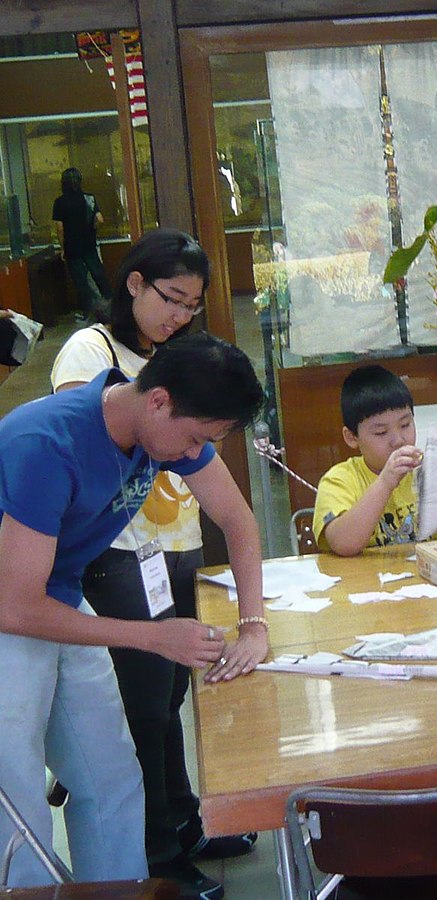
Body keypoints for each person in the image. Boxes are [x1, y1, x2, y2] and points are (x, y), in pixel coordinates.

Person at [0, 332, 267, 892]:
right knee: (17, 795)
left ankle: (119, 889)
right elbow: (15, 607)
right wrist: (152, 637)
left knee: (113, 774)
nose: (195, 452)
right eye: (196, 437)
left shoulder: (163, 433)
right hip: (11, 612)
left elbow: (237, 520)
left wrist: (254, 625)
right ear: (158, 400)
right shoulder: (46, 441)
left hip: (58, 595)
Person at [49, 229, 258, 899]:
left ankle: (186, 824)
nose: (178, 315)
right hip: (115, 549)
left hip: (174, 539)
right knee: (139, 701)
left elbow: (231, 507)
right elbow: (90, 447)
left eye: (192, 306)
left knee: (171, 695)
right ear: (134, 284)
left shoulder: (176, 360)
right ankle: (157, 856)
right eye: (171, 298)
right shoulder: (94, 351)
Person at [314, 365, 437, 556]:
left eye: (405, 425)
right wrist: (385, 482)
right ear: (352, 437)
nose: (398, 440)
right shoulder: (340, 480)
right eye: (381, 432)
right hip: (367, 582)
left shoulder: (426, 469)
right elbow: (343, 544)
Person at [52, 167, 111, 321]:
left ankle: (89, 313)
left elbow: (59, 227)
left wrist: (63, 248)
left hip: (72, 247)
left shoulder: (59, 202)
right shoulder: (88, 198)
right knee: (99, 275)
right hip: (89, 244)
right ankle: (112, 305)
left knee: (81, 281)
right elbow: (100, 219)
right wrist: (92, 229)